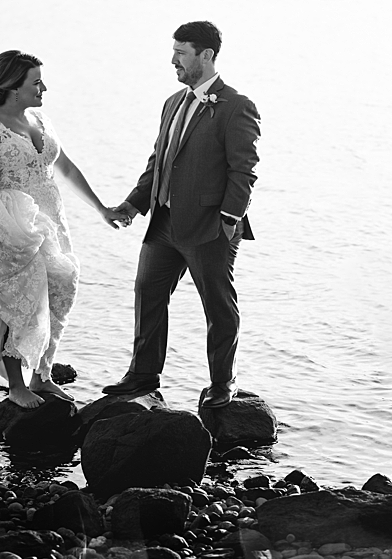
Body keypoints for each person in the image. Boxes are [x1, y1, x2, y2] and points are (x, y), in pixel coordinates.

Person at [103, 20, 260, 409]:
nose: (173, 61)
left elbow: (244, 170)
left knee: (218, 306)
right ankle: (142, 376)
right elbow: (159, 162)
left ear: (205, 56)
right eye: (173, 52)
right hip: (164, 222)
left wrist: (228, 219)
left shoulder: (237, 106)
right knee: (147, 293)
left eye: (180, 54)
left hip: (210, 226)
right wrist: (133, 205)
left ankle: (222, 383)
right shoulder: (172, 103)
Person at [0, 50, 127, 409]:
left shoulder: (40, 119)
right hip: (14, 224)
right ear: (11, 87)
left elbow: (64, 167)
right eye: (36, 82)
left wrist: (101, 208)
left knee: (57, 291)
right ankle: (16, 385)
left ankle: (43, 376)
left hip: (53, 219)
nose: (44, 88)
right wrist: (11, 234)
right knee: (18, 300)